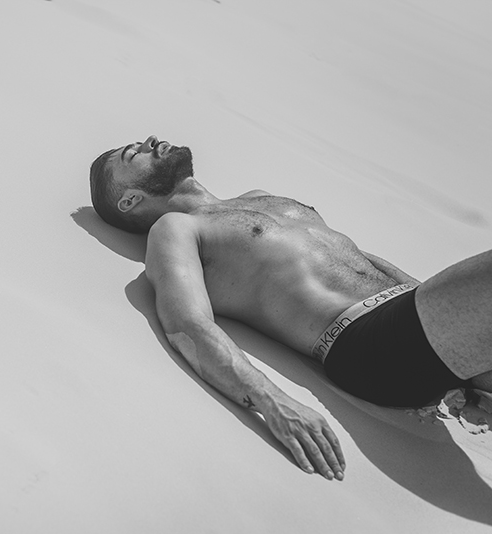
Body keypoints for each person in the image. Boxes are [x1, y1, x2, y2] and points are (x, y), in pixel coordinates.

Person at [88, 135, 492, 482]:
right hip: (369, 344)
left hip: (423, 322)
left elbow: (361, 259)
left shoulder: (258, 197)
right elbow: (187, 324)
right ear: (130, 199)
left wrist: (454, 314)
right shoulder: (176, 229)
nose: (149, 141)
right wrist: (273, 402)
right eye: (133, 154)